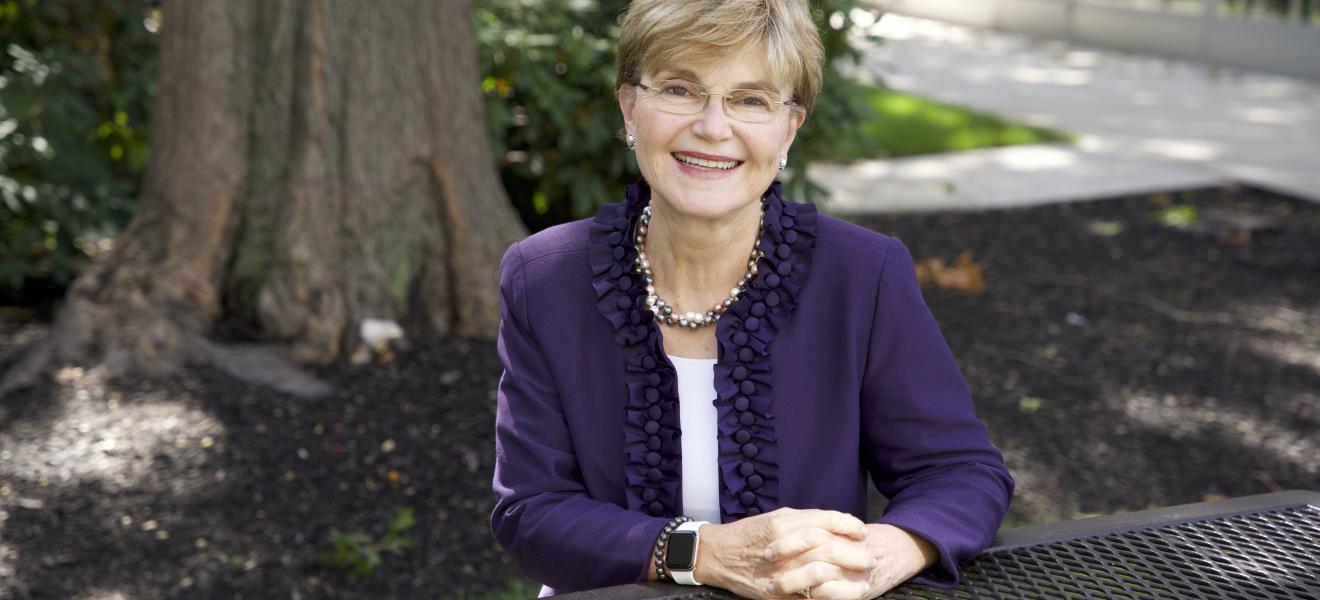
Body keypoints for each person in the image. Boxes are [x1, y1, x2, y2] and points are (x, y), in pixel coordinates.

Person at [490, 1, 1014, 597]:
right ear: (629, 106)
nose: (714, 127)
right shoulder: (544, 278)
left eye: (751, 100)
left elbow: (960, 472)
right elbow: (529, 512)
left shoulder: (862, 274)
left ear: (790, 127)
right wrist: (703, 553)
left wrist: (886, 551)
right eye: (681, 89)